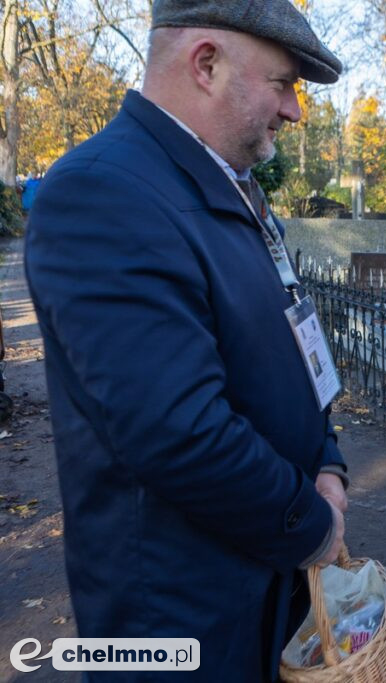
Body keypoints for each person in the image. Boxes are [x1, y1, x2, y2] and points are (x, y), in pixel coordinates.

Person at [24, 1, 350, 679]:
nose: (295, 110)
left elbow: (292, 343)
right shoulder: (102, 191)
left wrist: (329, 461)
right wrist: (311, 525)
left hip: (265, 584)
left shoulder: (231, 186)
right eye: (284, 82)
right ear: (206, 64)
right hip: (181, 624)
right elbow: (178, 430)